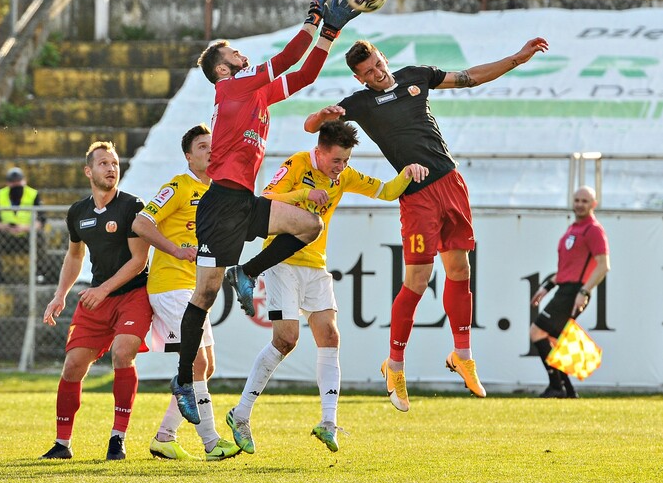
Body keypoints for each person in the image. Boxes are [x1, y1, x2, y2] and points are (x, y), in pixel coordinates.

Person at [305, 36, 549, 412]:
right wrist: (321, 116)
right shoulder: (359, 104)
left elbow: (471, 77)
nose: (378, 72)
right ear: (359, 79)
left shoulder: (416, 77)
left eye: (378, 64)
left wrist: (517, 57)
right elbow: (310, 127)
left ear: (384, 58)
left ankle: (462, 355)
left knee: (459, 268)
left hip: (450, 182)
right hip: (417, 194)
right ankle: (395, 365)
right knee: (417, 279)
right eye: (368, 72)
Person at [171, 0, 362, 424]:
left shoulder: (254, 92)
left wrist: (329, 36)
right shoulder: (232, 89)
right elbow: (288, 58)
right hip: (220, 204)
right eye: (234, 54)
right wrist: (315, 19)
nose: (242, 56)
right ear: (223, 70)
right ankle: (183, 378)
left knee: (308, 226)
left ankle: (249, 270)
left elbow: (304, 73)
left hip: (246, 202)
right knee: (205, 292)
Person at [227, 120, 428, 454]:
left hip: (315, 267)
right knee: (286, 340)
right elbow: (266, 198)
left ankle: (328, 422)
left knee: (331, 336)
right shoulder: (297, 164)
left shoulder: (344, 177)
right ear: (319, 152)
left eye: (346, 160)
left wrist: (408, 172)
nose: (342, 168)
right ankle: (241, 414)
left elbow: (387, 191)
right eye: (336, 160)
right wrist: (305, 193)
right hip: (283, 264)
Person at [132, 124, 241, 461]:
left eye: (213, 145)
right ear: (188, 156)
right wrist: (174, 250)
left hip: (193, 289)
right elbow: (140, 223)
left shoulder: (219, 192)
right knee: (196, 362)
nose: (210, 151)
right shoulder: (179, 186)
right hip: (171, 286)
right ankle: (211, 443)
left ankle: (165, 437)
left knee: (204, 366)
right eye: (202, 146)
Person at [40, 141, 152, 461]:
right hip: (97, 299)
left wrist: (102, 290)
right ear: (89, 171)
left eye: (114, 163)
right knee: (73, 365)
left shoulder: (131, 206)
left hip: (132, 294)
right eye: (103, 163)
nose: (111, 168)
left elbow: (138, 262)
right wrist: (59, 296)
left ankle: (117, 439)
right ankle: (62, 444)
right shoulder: (78, 212)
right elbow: (75, 256)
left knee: (122, 351)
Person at [529, 185, 610, 398]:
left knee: (537, 332)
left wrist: (583, 291)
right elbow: (566, 269)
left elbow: (603, 265)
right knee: (554, 341)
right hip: (565, 288)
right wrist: (547, 286)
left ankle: (556, 387)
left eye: (585, 201)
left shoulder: (593, 230)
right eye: (577, 200)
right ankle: (568, 390)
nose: (580, 205)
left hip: (574, 292)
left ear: (594, 204)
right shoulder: (572, 229)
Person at [0, 166, 47, 284]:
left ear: (24, 181)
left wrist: (25, 228)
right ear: (8, 183)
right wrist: (6, 227)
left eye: (18, 182)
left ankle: (39, 274)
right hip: (6, 237)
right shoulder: (0, 195)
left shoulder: (33, 194)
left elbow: (42, 221)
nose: (16, 185)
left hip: (27, 236)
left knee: (40, 237)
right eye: (13, 183)